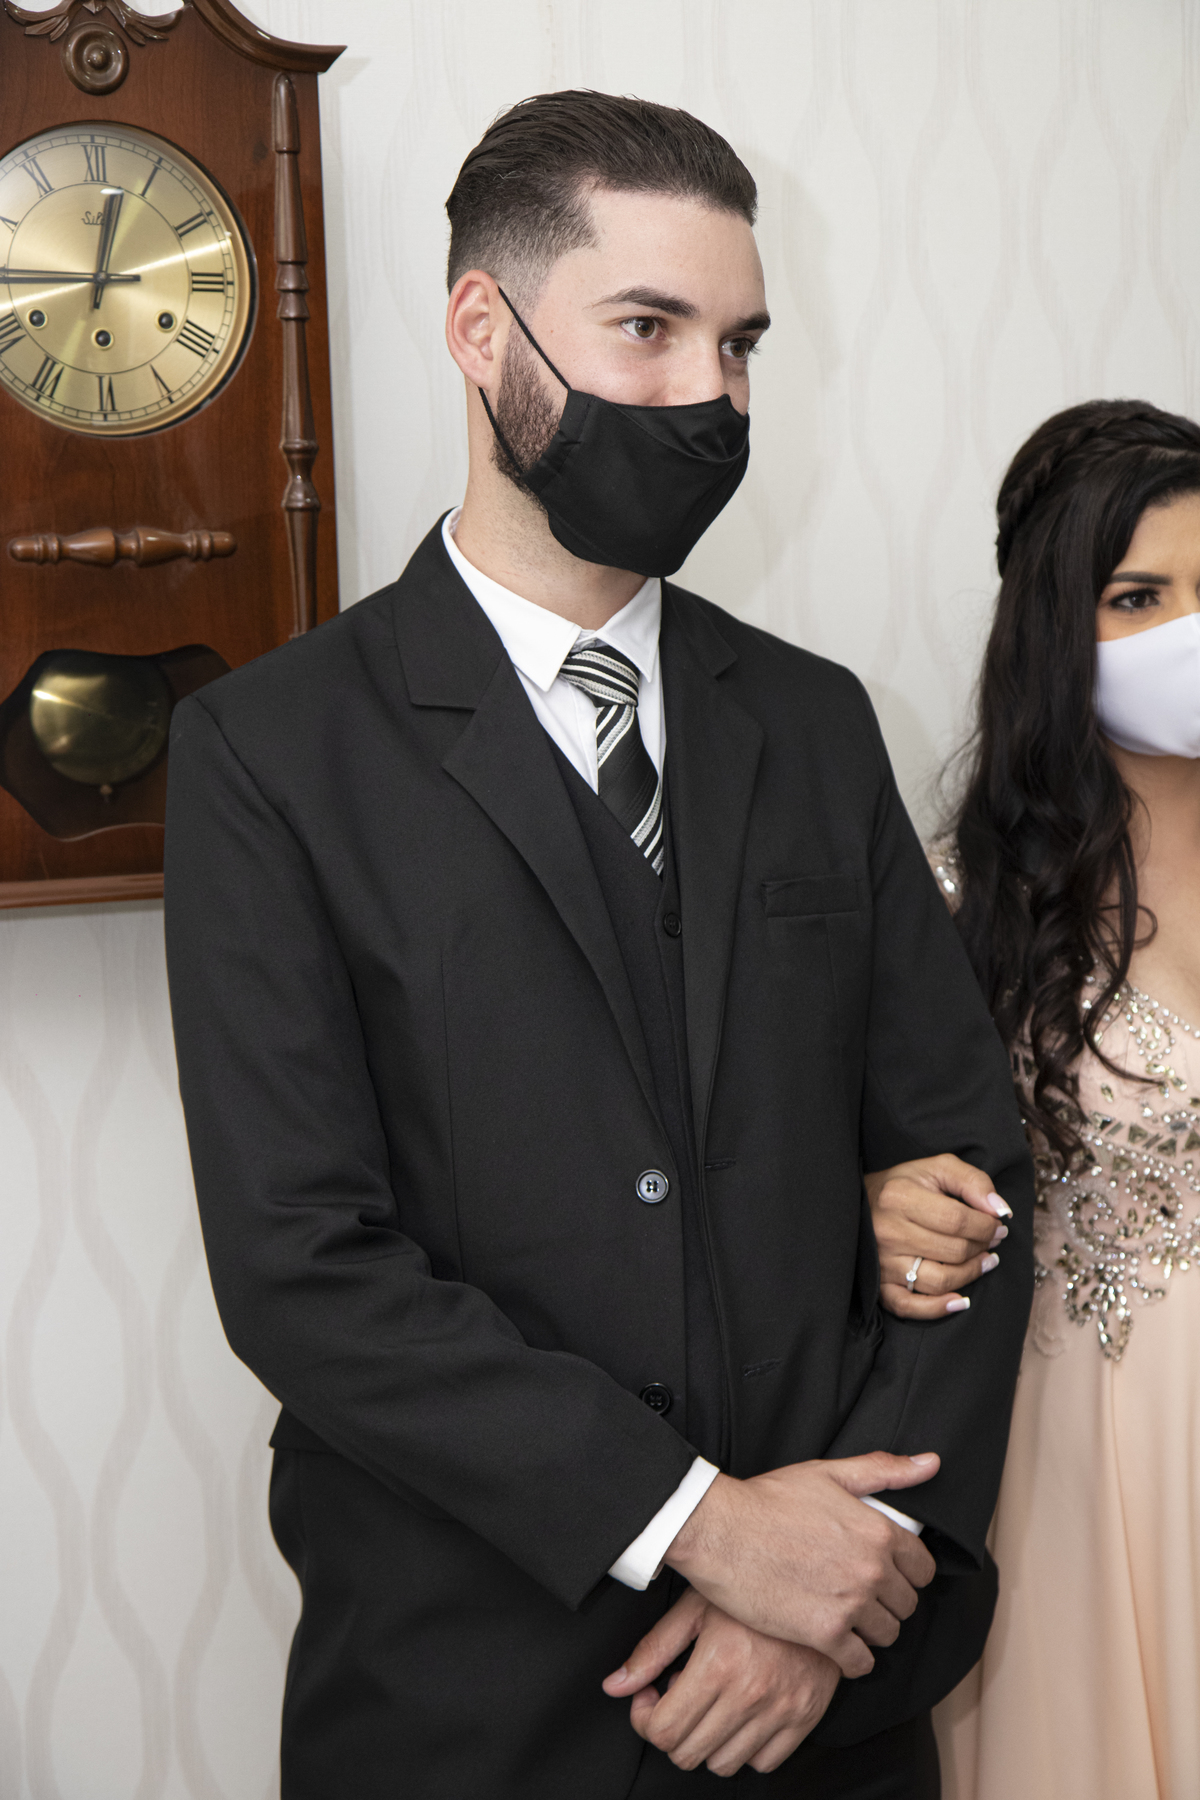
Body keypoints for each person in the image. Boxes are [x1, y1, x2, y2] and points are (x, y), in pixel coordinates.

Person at [163, 91, 1034, 1799]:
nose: (712, 396)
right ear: (482, 330)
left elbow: (967, 1165)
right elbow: (302, 1264)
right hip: (468, 1698)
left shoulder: (814, 722)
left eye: (741, 345)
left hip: (828, 1713)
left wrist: (841, 1580)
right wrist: (704, 1527)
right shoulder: (270, 754)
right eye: (649, 328)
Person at [864, 398, 1200, 1800]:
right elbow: (858, 1168)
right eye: (1141, 597)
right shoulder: (960, 908)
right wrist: (880, 1208)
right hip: (1086, 1459)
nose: (1191, 631)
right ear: (1056, 627)